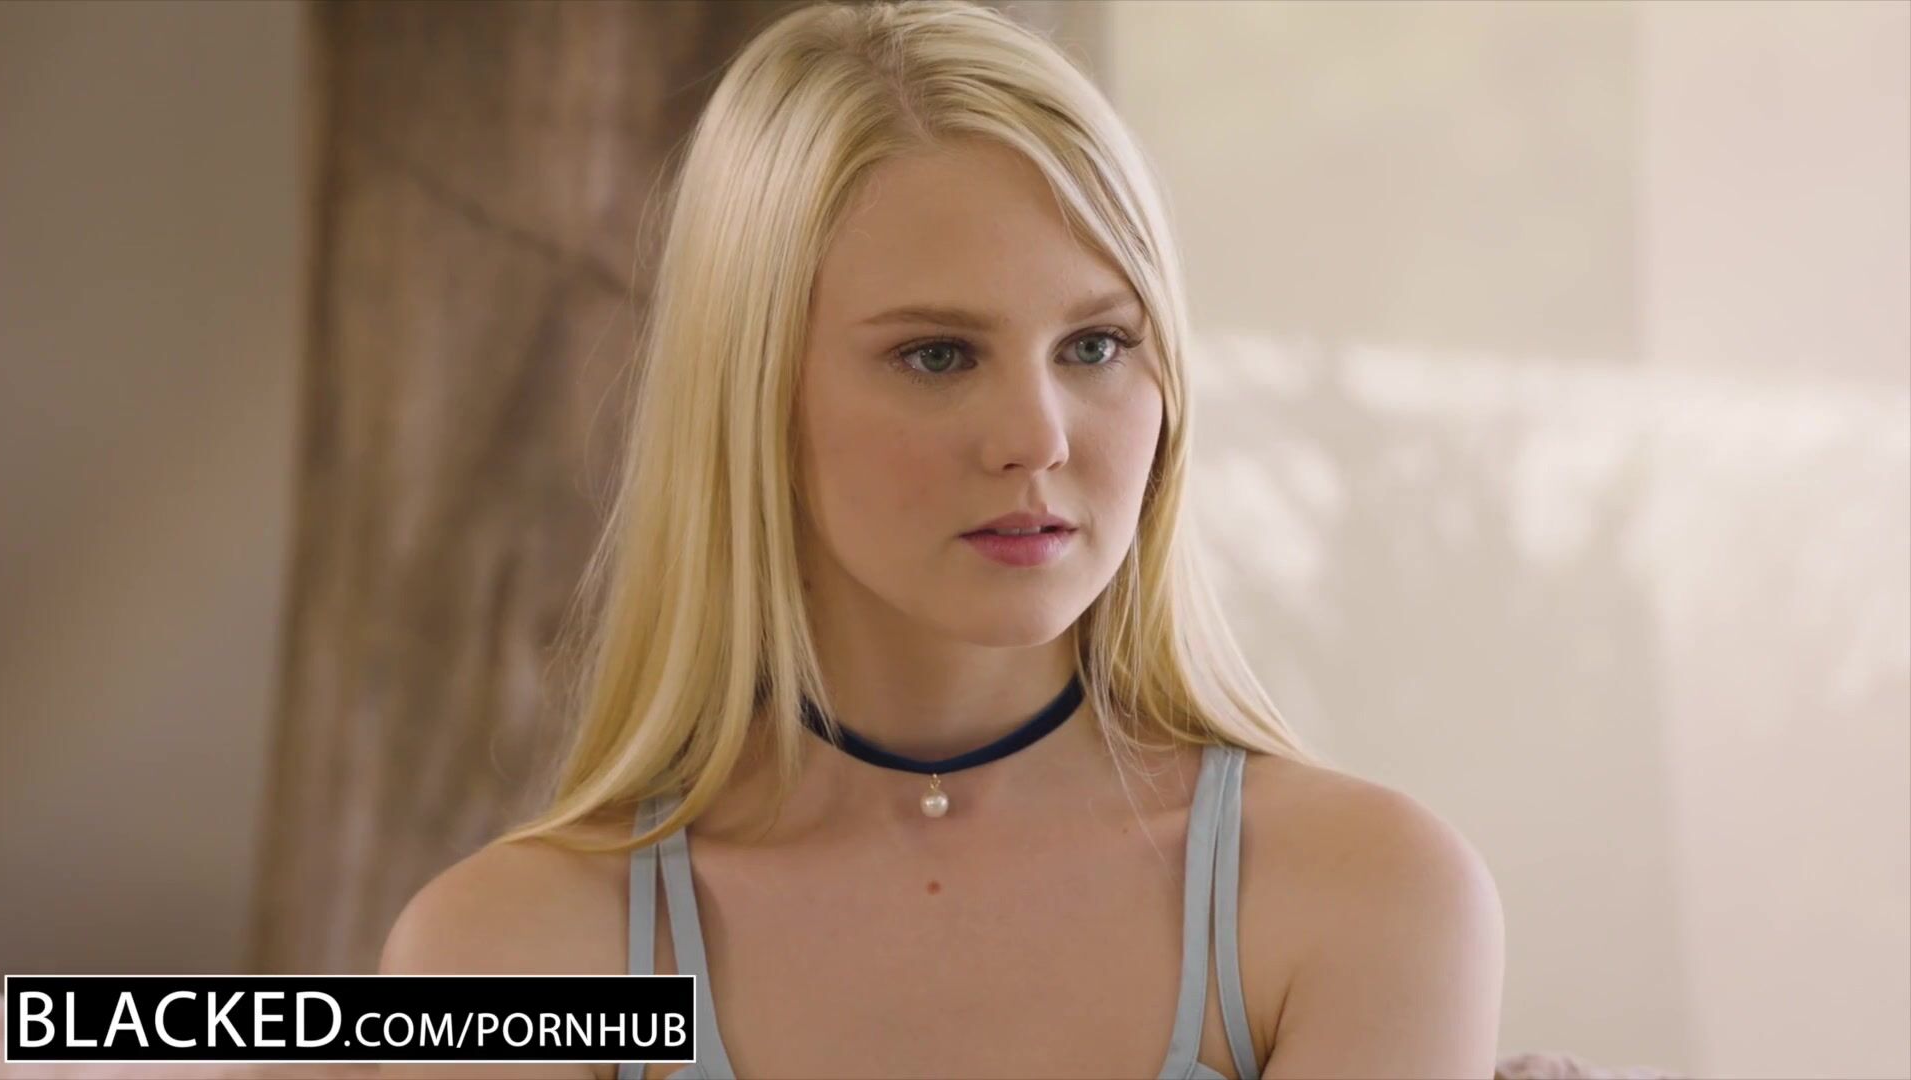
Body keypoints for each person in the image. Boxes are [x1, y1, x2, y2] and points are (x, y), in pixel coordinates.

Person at [379, 2, 1505, 1077]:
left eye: (1096, 346)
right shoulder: (512, 952)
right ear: (753, 395)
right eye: (937, 356)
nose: (1036, 438)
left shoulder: (1354, 900)